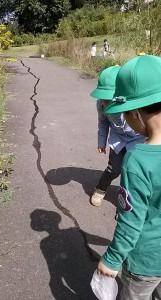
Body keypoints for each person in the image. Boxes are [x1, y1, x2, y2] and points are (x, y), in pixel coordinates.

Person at [97, 54, 161, 299]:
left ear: (135, 113)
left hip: (145, 262)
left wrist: (112, 258)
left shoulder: (137, 161)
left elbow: (131, 221)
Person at [90, 66, 144, 207]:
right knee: (113, 169)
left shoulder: (137, 105)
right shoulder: (101, 105)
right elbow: (102, 123)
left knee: (133, 173)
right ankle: (100, 190)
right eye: (102, 97)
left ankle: (127, 205)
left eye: (108, 99)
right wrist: (101, 142)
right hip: (118, 139)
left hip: (138, 140)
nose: (104, 102)